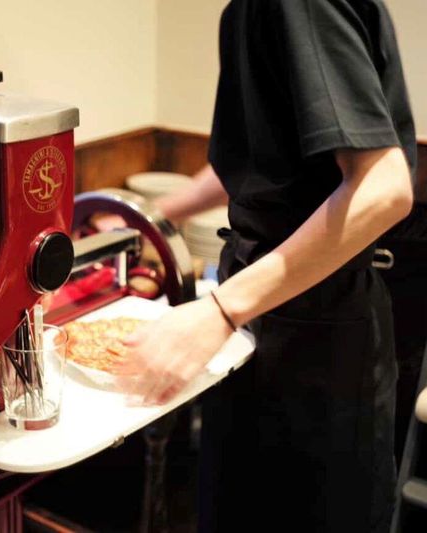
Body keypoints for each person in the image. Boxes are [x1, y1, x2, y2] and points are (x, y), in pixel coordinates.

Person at [120, 1, 417, 531]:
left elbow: (385, 187)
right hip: (271, 322)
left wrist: (218, 310)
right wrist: (152, 216)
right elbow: (258, 164)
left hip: (314, 343)